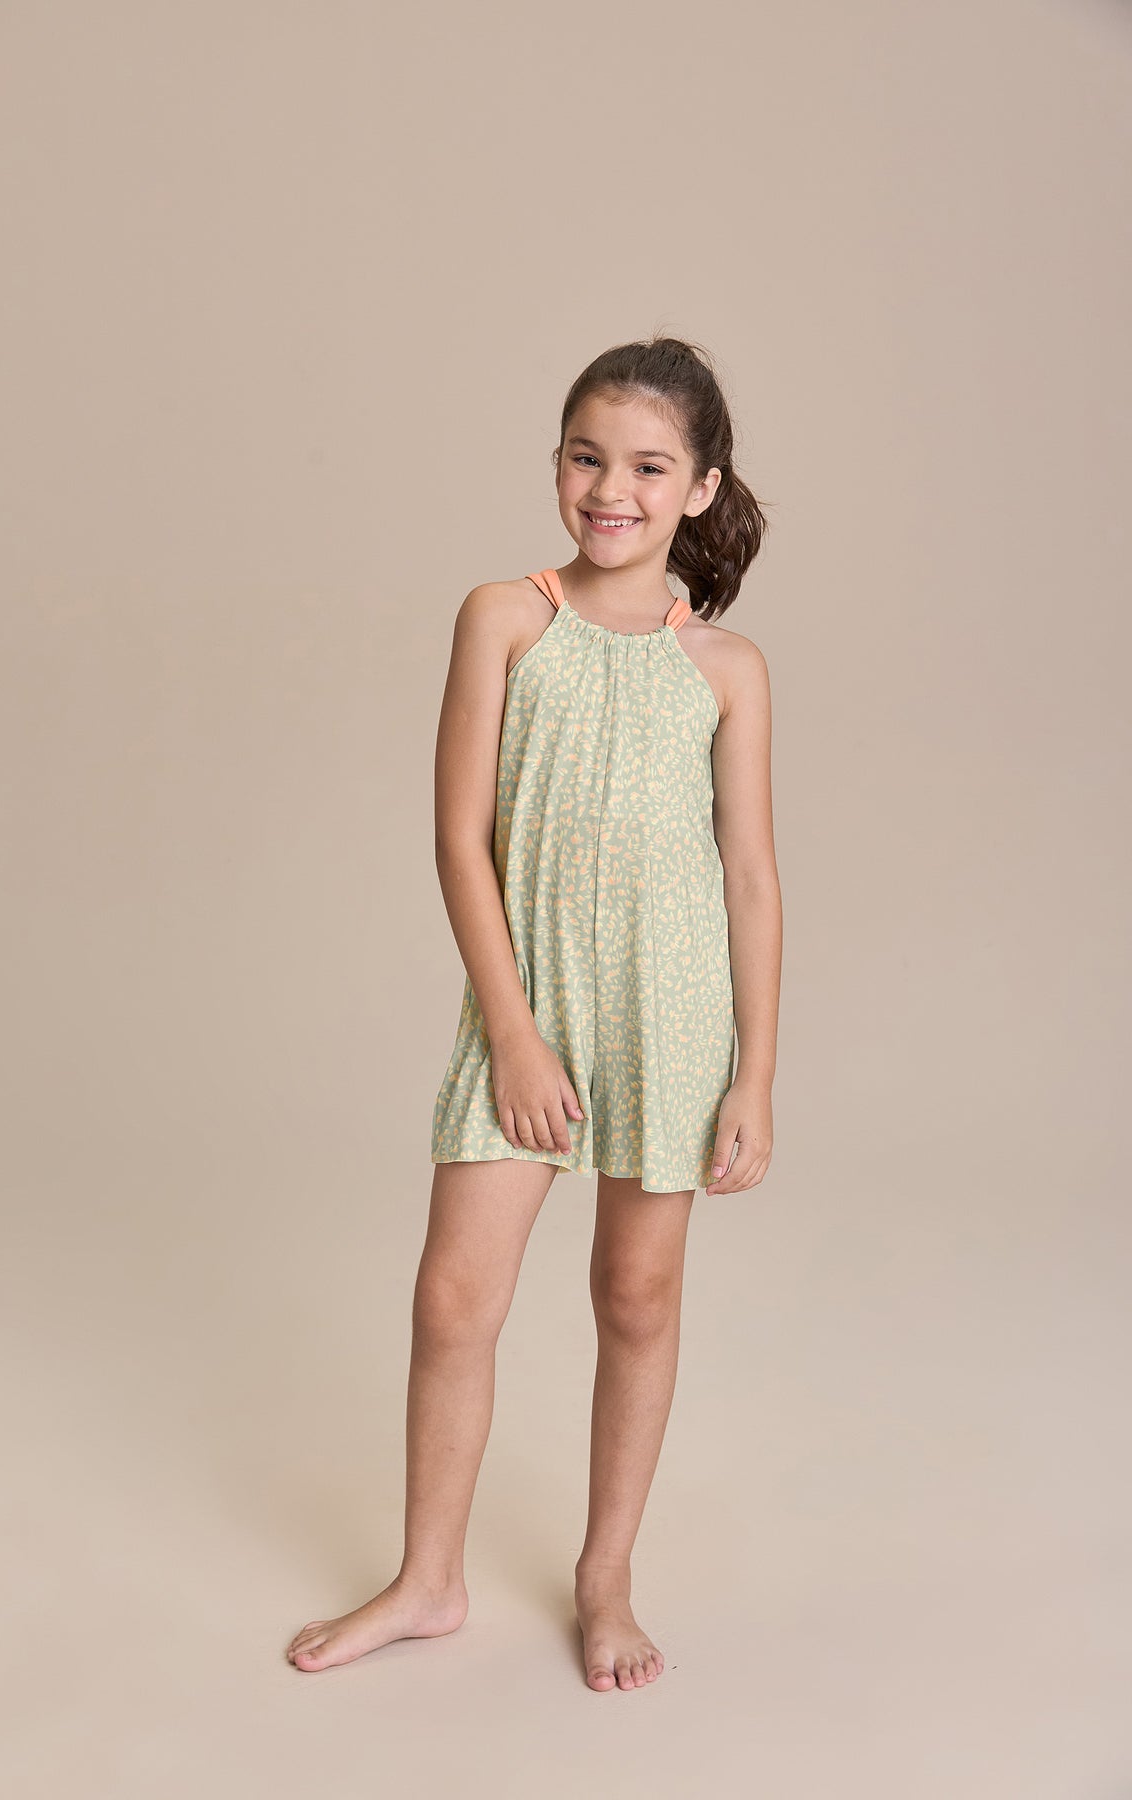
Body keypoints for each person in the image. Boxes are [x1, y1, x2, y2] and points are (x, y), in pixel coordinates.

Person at [286, 334, 781, 1693]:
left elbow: (749, 876)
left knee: (637, 1295)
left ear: (699, 487)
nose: (611, 489)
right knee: (454, 1298)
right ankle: (427, 1579)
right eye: (586, 457)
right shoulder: (506, 617)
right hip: (532, 999)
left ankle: (605, 1578)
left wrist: (755, 1075)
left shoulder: (728, 667)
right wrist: (511, 1031)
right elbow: (461, 837)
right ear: (556, 464)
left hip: (673, 1014)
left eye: (648, 468)